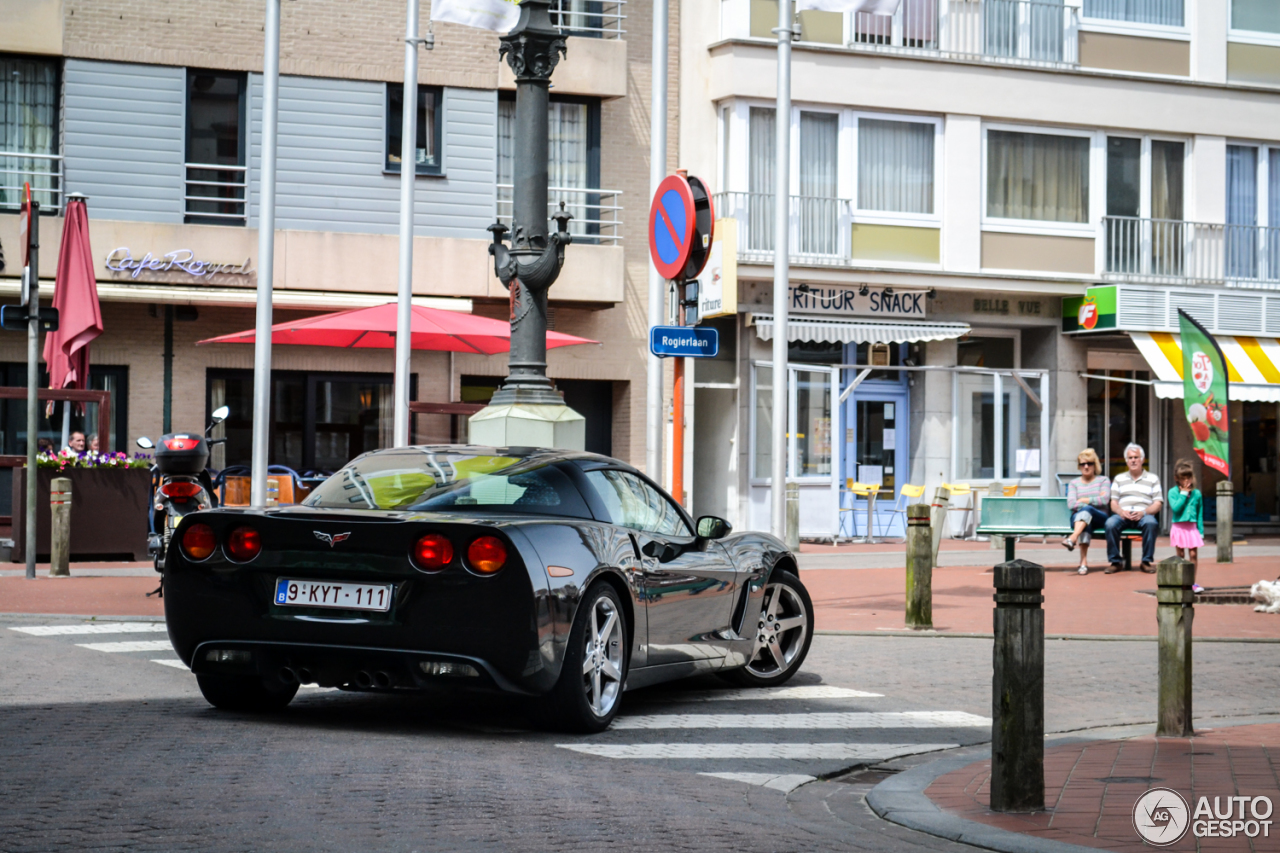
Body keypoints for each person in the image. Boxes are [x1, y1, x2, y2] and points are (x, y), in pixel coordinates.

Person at [1105, 443, 1163, 574]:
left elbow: (1158, 503)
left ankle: (1146, 562)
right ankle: (1115, 562)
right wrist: (1121, 511)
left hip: (1144, 514)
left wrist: (1144, 512)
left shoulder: (1153, 478)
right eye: (1130, 458)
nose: (1133, 460)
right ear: (1126, 460)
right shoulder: (1119, 479)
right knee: (1110, 524)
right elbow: (1113, 503)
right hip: (1123, 514)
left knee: (1151, 523)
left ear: (1142, 459)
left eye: (1136, 457)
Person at [1061, 448, 1110, 575]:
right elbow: (1071, 504)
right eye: (1083, 464)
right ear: (1079, 466)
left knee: (1086, 510)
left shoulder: (1103, 480)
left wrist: (1084, 500)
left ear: (1095, 465)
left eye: (1089, 463)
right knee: (1085, 516)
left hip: (1100, 518)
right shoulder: (1074, 483)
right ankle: (1083, 563)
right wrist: (1094, 499)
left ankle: (1073, 538)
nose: (1086, 466)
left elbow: (1105, 500)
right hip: (1080, 519)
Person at [1167, 458, 1204, 576]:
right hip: (1179, 527)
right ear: (1177, 478)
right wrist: (1183, 494)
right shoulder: (1172, 492)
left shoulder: (1196, 493)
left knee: (1193, 554)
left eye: (1188, 477)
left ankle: (1192, 581)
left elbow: (1199, 513)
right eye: (1183, 478)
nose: (1186, 481)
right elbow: (1176, 509)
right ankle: (1181, 580)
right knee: (1181, 555)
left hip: (1192, 527)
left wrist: (1201, 530)